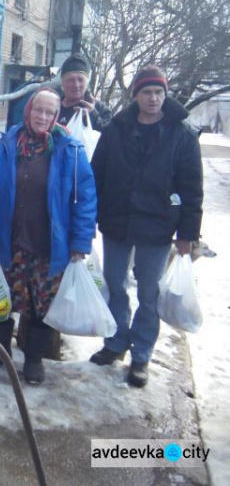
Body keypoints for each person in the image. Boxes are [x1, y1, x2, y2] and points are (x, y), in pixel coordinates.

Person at [89, 65, 203, 387]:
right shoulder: (116, 130)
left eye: (159, 92)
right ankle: (115, 343)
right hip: (118, 220)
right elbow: (97, 176)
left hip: (158, 224)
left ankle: (141, 355)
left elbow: (192, 188)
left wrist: (188, 235)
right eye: (147, 92)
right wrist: (88, 218)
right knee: (114, 283)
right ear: (136, 95)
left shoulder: (182, 134)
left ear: (165, 95)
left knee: (149, 292)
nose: (153, 98)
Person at [0, 88, 97, 384]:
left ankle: (33, 359)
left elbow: (85, 199)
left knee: (40, 305)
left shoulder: (70, 150)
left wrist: (80, 242)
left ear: (56, 116)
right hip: (9, 242)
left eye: (49, 112)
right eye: (37, 110)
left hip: (48, 246)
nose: (42, 117)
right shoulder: (3, 147)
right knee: (1, 300)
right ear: (27, 111)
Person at [56, 53, 112, 132]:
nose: (76, 85)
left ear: (87, 83)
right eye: (71, 80)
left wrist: (93, 115)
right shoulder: (54, 107)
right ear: (62, 83)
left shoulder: (100, 109)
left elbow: (111, 136)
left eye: (80, 80)